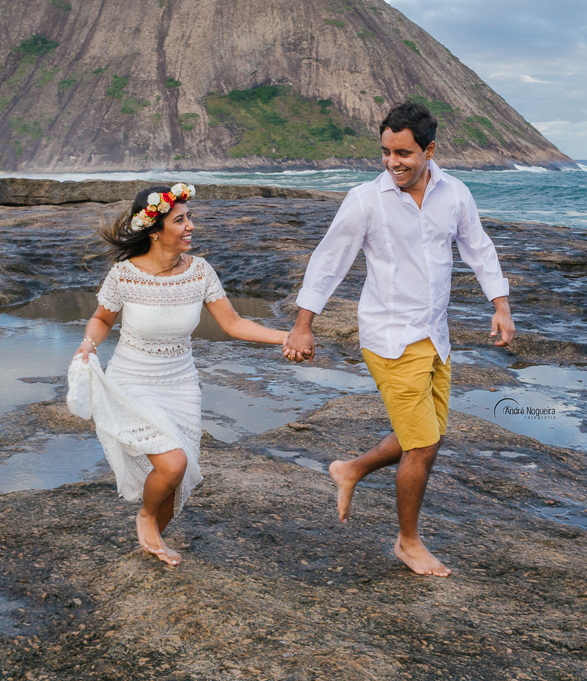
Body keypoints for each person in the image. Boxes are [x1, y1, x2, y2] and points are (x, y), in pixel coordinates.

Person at [283, 101, 516, 577]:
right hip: (389, 337)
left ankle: (350, 469)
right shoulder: (366, 200)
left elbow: (478, 247)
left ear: (429, 150)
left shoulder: (455, 193)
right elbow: (330, 261)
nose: (393, 163)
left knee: (426, 433)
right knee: (423, 445)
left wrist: (501, 304)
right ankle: (408, 543)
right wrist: (303, 323)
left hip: (435, 336)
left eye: (404, 153)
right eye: (386, 152)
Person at [66, 183, 297, 567]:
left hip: (180, 383)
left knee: (180, 472)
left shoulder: (200, 271)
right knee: (173, 464)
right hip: (132, 381)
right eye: (181, 220)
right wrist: (88, 343)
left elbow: (234, 324)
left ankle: (152, 538)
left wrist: (287, 337)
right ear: (155, 230)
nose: (191, 226)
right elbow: (102, 318)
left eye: (189, 217)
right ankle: (144, 518)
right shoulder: (124, 275)